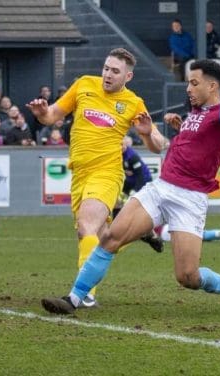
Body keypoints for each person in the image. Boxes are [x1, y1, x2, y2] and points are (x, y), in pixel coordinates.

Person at [39, 60, 220, 315]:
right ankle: (74, 299)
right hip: (160, 188)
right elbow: (197, 144)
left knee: (187, 276)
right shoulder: (197, 111)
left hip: (189, 198)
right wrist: (171, 131)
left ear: (212, 86)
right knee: (110, 238)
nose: (188, 89)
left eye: (194, 83)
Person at [27, 48, 168, 309]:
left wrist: (148, 134)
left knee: (86, 227)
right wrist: (41, 113)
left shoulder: (134, 103)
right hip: (79, 174)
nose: (107, 74)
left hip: (107, 173)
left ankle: (84, 293)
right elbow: (51, 116)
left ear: (128, 76)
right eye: (106, 68)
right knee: (101, 238)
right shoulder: (83, 85)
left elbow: (159, 145)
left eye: (115, 71)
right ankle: (140, 232)